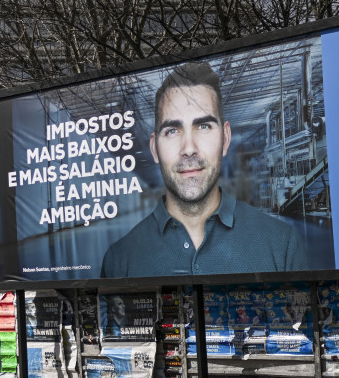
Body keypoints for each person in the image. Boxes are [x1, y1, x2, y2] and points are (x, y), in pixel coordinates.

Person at [101, 61, 309, 277]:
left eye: (203, 126)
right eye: (172, 131)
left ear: (225, 138)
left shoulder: (282, 245)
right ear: (154, 148)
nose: (189, 149)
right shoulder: (119, 261)